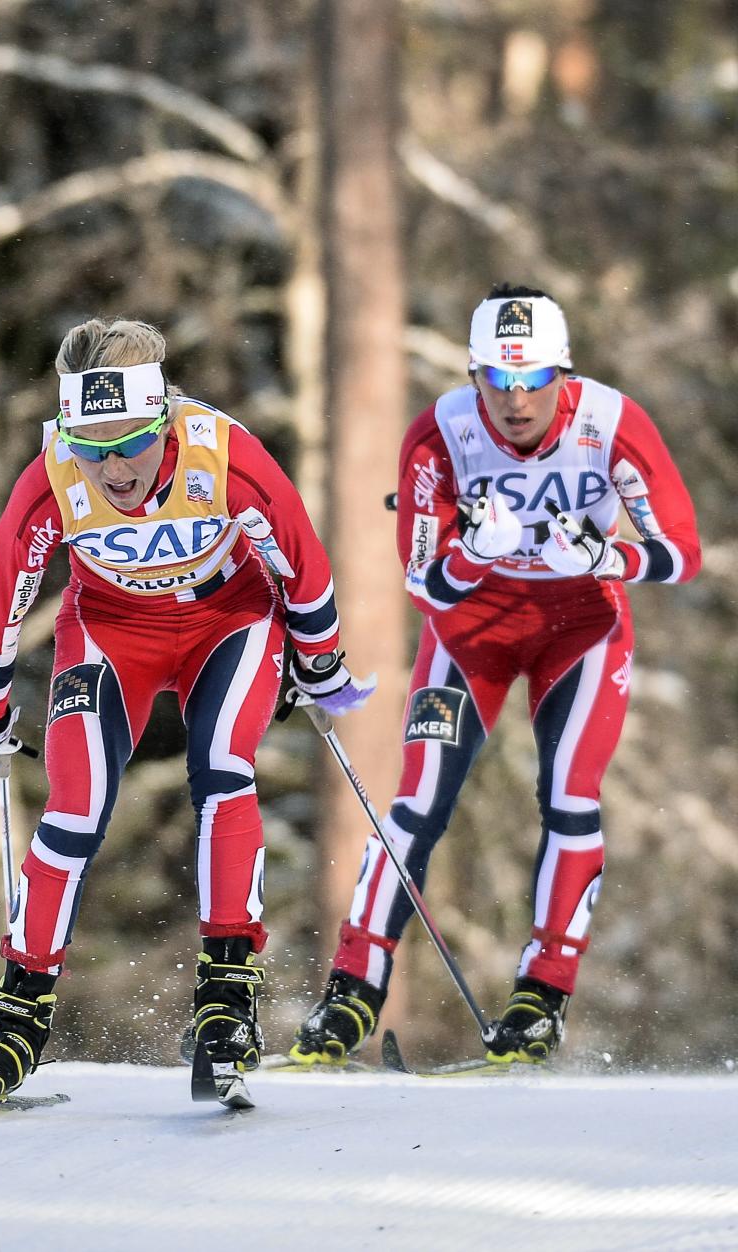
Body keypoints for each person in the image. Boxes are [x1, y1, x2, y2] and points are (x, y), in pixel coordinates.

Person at [0, 317, 375, 1100]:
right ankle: (17, 1016)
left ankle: (227, 999)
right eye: (91, 446)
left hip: (228, 620)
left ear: (162, 422)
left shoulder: (221, 453)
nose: (113, 468)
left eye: (130, 443)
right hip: (110, 630)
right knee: (73, 809)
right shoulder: (55, 473)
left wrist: (322, 662)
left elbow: (300, 561)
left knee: (223, 774)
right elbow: (5, 591)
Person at [291, 284, 701, 1067]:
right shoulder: (441, 434)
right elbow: (420, 580)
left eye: (534, 381)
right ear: (474, 374)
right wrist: (475, 550)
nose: (516, 402)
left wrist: (612, 555)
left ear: (562, 374)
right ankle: (351, 991)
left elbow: (682, 550)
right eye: (497, 381)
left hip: (580, 634)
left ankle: (541, 997)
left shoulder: (611, 424)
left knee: (570, 796)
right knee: (418, 802)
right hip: (469, 637)